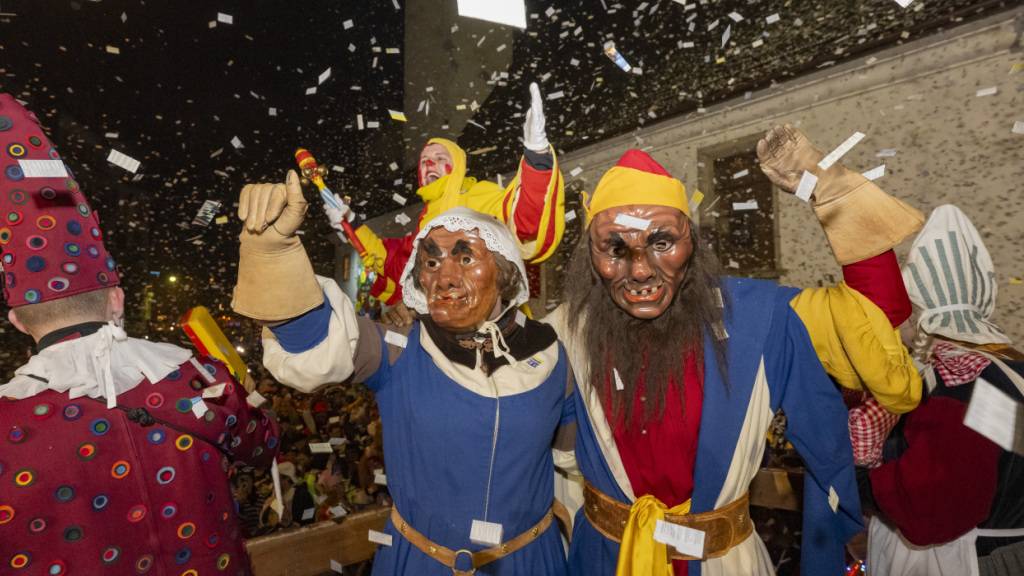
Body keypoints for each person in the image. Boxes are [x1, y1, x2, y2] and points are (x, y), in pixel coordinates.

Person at [548, 124, 925, 576]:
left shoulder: (760, 318)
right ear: (590, 255)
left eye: (662, 241)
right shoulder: (566, 331)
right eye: (616, 247)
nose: (641, 269)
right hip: (604, 559)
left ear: (692, 242)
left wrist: (828, 187)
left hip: (721, 562)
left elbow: (873, 317)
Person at [0, 93, 280, 575]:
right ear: (117, 299)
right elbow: (265, 441)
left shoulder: (9, 428)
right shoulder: (197, 379)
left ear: (18, 322)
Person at [232, 183, 574, 574]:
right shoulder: (398, 347)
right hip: (420, 564)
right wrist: (275, 252)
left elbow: (576, 463)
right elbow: (318, 343)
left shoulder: (551, 356)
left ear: (506, 273)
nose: (444, 277)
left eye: (465, 259)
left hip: (531, 563)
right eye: (431, 263)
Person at [866, 204, 1024, 576]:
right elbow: (1009, 451)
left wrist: (862, 471)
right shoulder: (1011, 368)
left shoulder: (956, 385)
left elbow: (929, 515)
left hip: (977, 561)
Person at [325, 83, 566, 321]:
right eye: (424, 161)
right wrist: (351, 223)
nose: (429, 164)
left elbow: (525, 220)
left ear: (458, 165)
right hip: (440, 329)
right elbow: (392, 263)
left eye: (440, 158)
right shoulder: (426, 218)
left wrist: (537, 157)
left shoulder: (478, 195)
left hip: (490, 323)